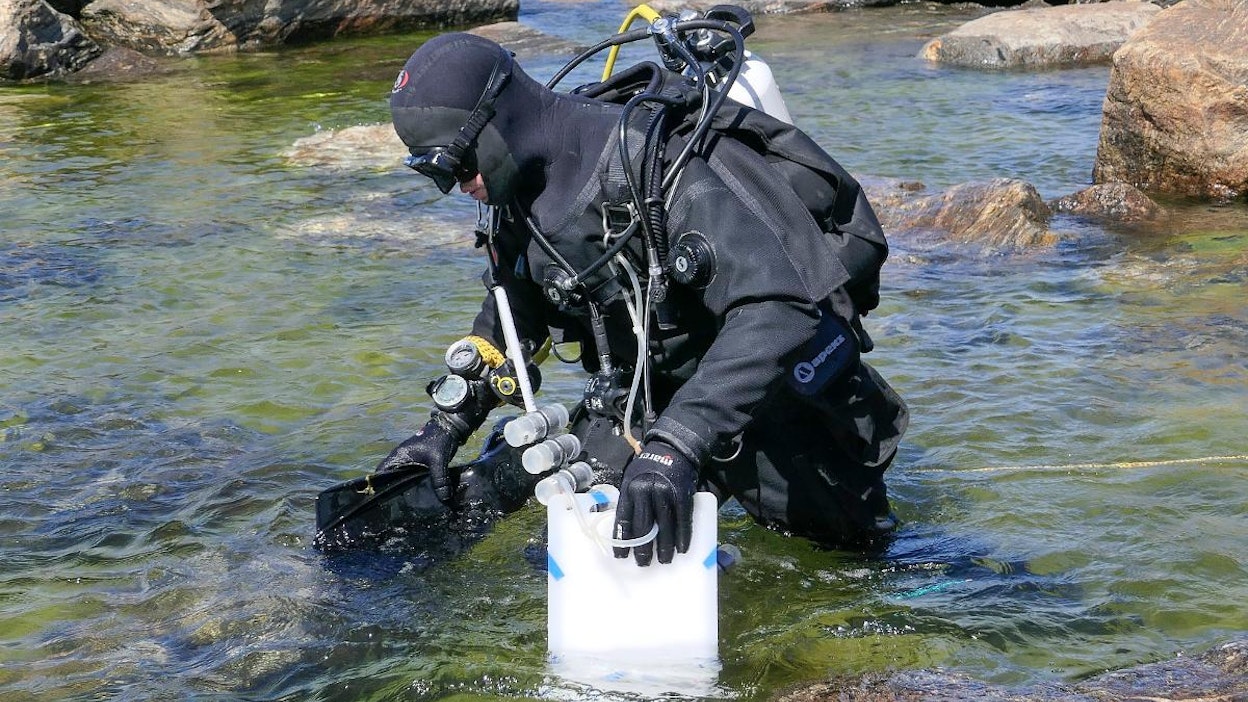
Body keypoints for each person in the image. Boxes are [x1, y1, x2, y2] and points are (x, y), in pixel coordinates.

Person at [377, 28, 909, 566]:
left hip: (768, 403)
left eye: (457, 162)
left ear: (497, 121)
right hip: (643, 399)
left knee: (852, 569)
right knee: (526, 524)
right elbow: (516, 309)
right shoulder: (515, 191)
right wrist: (444, 428)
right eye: (434, 171)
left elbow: (778, 308)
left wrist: (676, 444)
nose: (454, 184)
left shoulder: (657, 166)